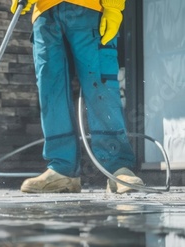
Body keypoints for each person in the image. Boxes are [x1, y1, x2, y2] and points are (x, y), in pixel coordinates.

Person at [10, 0, 144, 194]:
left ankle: (117, 167)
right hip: (44, 13)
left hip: (91, 8)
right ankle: (62, 169)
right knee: (50, 90)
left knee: (101, 85)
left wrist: (113, 7)